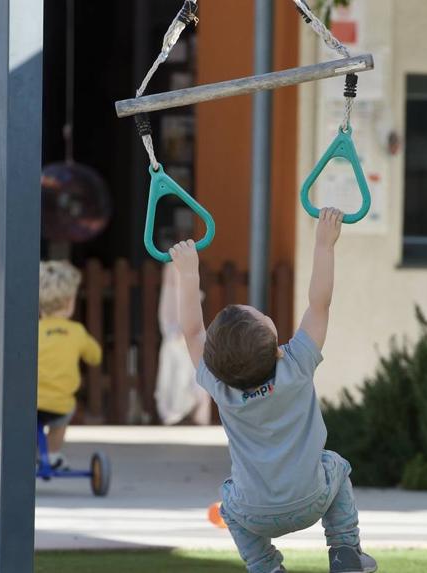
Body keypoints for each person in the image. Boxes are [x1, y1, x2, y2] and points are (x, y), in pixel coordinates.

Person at [170, 208, 377, 573]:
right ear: (276, 347)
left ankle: (264, 565)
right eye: (262, 317)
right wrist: (324, 244)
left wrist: (187, 273)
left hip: (254, 513)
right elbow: (319, 303)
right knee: (336, 465)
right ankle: (344, 547)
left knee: (228, 504)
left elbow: (191, 331)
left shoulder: (221, 387)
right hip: (313, 498)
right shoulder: (296, 365)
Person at [36, 260, 102, 468]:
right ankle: (52, 454)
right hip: (59, 405)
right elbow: (95, 356)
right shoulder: (76, 332)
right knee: (63, 416)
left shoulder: (31, 330)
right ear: (68, 303)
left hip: (29, 403)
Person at [155, 261, 211, 425]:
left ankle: (193, 412)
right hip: (177, 336)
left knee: (191, 370)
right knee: (179, 368)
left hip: (184, 336)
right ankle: (177, 410)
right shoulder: (173, 269)